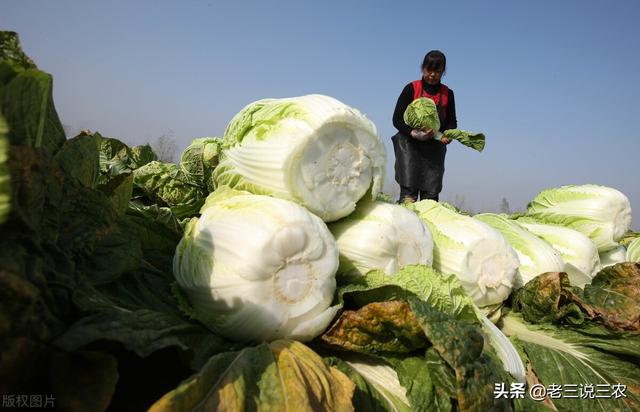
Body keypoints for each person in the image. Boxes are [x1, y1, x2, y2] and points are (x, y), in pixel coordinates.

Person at [392, 50, 457, 203]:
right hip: (409, 146)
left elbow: (451, 122)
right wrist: (413, 133)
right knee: (409, 197)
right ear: (423, 68)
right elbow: (396, 119)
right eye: (429, 70)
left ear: (443, 72)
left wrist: (447, 135)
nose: (433, 74)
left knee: (430, 200)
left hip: (434, 150)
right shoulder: (411, 88)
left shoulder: (448, 94)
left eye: (437, 71)